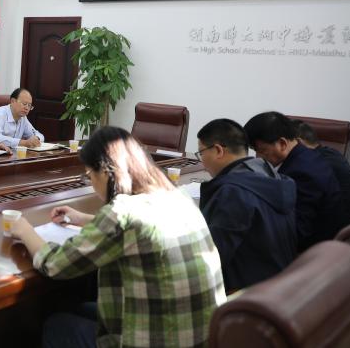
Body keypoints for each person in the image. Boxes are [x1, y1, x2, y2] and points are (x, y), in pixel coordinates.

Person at [11, 126, 225, 348]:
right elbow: (137, 230)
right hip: (200, 336)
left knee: (56, 325)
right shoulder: (178, 197)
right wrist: (83, 219)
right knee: (74, 307)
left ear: (106, 172)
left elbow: (55, 264)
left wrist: (25, 230)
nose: (91, 182)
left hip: (160, 339)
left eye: (89, 175)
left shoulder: (122, 212)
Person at [196, 119, 297, 293]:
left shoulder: (234, 193)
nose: (202, 162)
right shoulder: (269, 173)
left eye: (201, 153)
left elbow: (212, 256)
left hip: (246, 292)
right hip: (280, 283)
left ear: (218, 150)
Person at [244, 111, 342, 251]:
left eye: (262, 150)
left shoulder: (303, 173)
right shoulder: (304, 157)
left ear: (282, 143)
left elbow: (296, 232)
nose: (258, 157)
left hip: (312, 252)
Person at [294, 119, 350, 227]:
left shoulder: (311, 164)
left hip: (337, 231)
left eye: (283, 144)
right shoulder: (332, 152)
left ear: (298, 143)